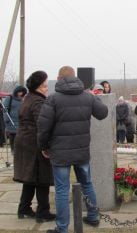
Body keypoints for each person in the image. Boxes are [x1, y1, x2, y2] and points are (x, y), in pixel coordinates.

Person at [37, 66, 108, 233]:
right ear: (75, 77)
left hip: (60, 151)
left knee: (62, 189)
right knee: (87, 183)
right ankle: (93, 216)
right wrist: (93, 98)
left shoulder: (53, 99)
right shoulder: (87, 97)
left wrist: (43, 147)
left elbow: (43, 127)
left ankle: (62, 228)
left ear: (59, 78)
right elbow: (103, 113)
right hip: (82, 151)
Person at [13, 71, 55, 223]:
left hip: (24, 141)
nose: (46, 88)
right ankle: (43, 211)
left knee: (30, 177)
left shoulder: (28, 98)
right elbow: (42, 125)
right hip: (33, 143)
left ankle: (24, 208)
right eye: (44, 85)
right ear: (37, 86)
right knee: (41, 177)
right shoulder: (38, 101)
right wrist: (46, 147)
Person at [3, 85, 27, 153]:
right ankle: (13, 150)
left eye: (22, 92)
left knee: (19, 136)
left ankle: (18, 150)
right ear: (16, 91)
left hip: (20, 121)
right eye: (20, 92)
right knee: (12, 136)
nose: (20, 93)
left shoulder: (23, 99)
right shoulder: (9, 98)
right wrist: (6, 118)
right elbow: (5, 109)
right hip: (10, 121)